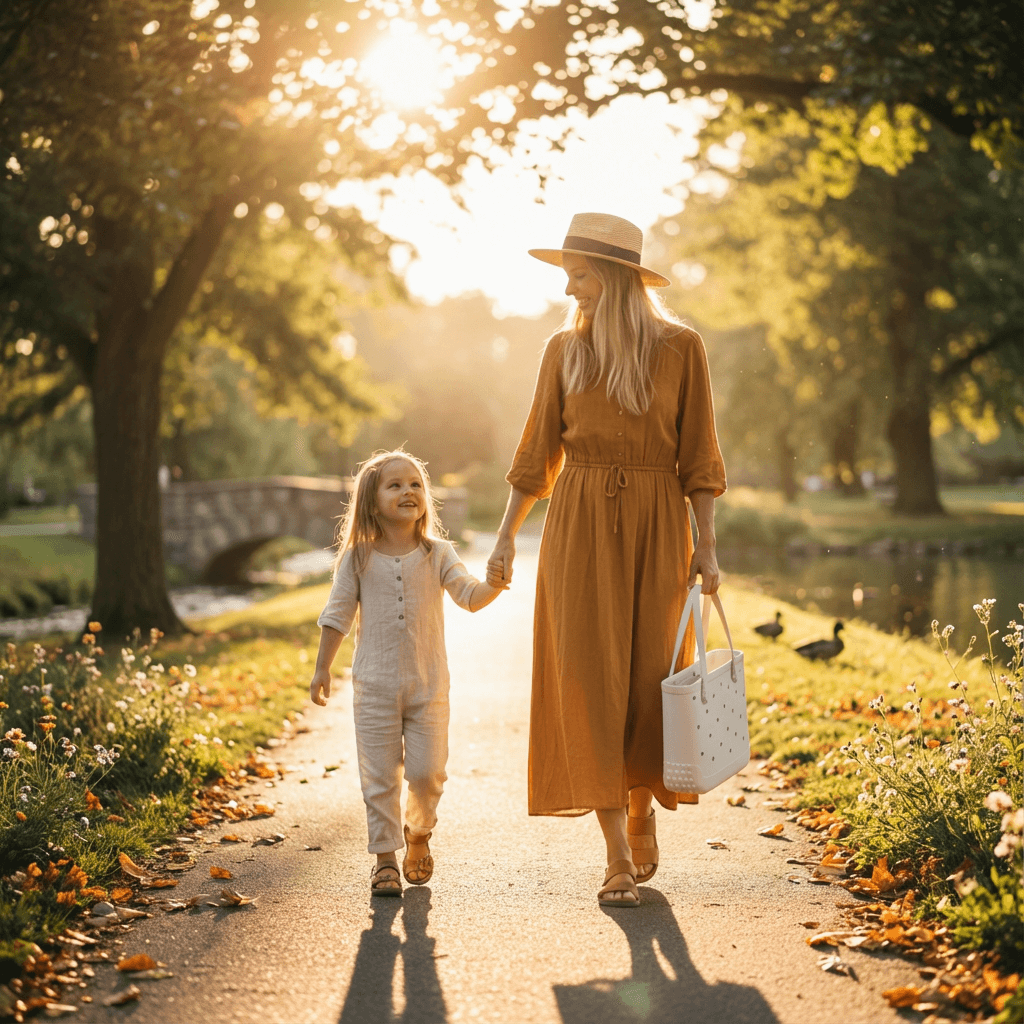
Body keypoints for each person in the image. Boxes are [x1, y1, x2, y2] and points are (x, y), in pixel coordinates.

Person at [486, 212, 727, 908]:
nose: (569, 287)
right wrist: (504, 537)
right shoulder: (564, 349)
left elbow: (700, 456)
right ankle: (616, 851)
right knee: (588, 682)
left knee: (651, 677)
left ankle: (642, 802)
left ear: (617, 277)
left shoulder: (681, 349)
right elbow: (536, 454)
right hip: (580, 526)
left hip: (659, 525)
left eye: (580, 274)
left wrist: (707, 544)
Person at [310, 450, 506, 896]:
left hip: (428, 687)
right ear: (372, 500)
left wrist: (494, 584)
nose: (408, 491)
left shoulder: (438, 553)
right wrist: (323, 668)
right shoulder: (357, 558)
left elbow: (469, 596)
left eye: (416, 484)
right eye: (395, 485)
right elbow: (337, 615)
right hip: (374, 688)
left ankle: (419, 832)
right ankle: (384, 860)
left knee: (427, 773)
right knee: (379, 778)